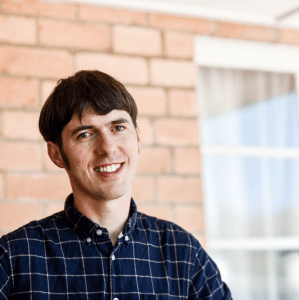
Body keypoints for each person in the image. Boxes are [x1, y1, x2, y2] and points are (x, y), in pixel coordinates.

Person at [0, 70, 232, 299]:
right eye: (85, 134)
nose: (108, 148)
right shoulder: (12, 259)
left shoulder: (184, 254)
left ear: (138, 137)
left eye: (118, 128)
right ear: (56, 154)